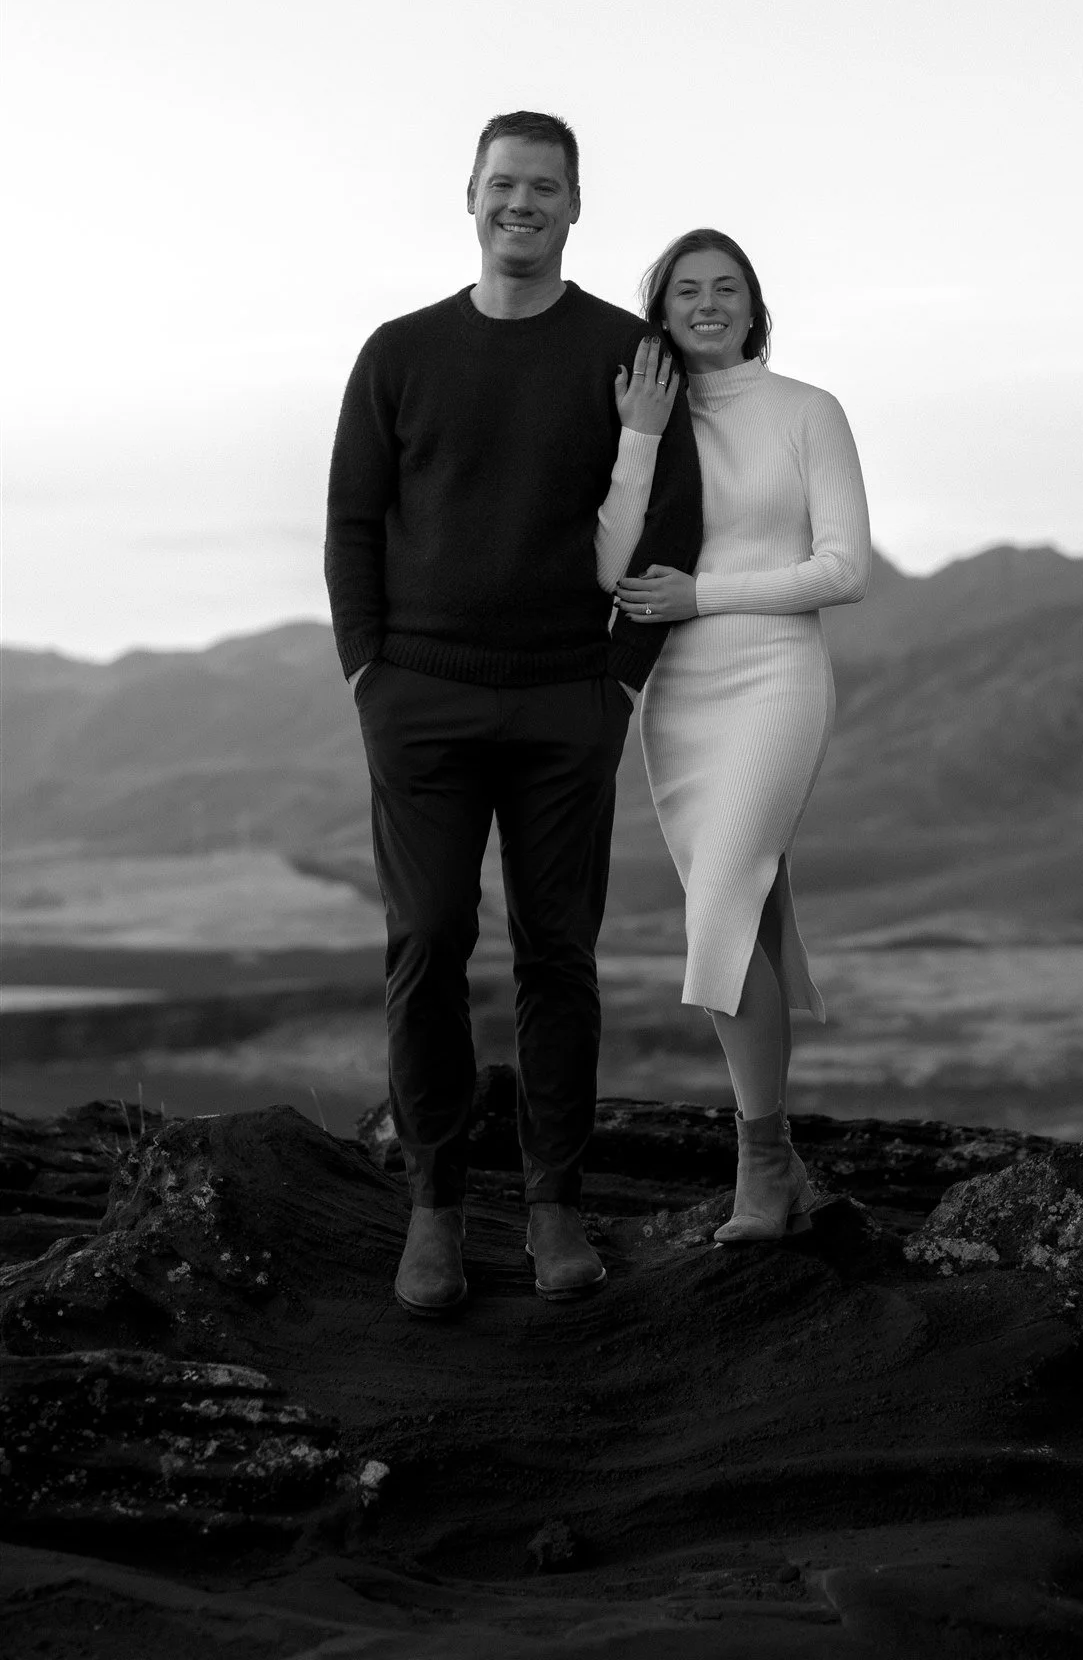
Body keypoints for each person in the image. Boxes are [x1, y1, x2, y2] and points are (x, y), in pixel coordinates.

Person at [325, 113, 703, 1316]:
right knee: (428, 938)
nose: (521, 203)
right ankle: (435, 1206)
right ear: (471, 198)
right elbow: (349, 526)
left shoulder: (624, 353)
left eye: (545, 186)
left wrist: (621, 680)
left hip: (562, 698)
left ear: (576, 205)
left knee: (557, 953)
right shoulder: (398, 353)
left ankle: (552, 1203)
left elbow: (674, 528)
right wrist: (367, 676)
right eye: (503, 184)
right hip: (421, 697)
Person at [604, 229, 870, 1241]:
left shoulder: (808, 411)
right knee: (744, 908)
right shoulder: (647, 420)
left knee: (717, 910)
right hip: (676, 693)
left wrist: (701, 592)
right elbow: (610, 558)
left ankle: (759, 1165)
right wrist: (634, 437)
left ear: (754, 305)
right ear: (661, 309)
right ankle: (782, 1160)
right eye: (686, 290)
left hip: (774, 676)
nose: (707, 302)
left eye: (727, 288)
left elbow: (844, 566)